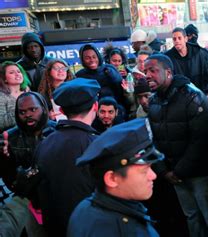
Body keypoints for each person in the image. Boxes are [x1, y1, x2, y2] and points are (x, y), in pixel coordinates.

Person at [145, 54, 208, 237]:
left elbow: (201, 139)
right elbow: (153, 139)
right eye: (146, 71)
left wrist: (178, 171)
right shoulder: (154, 101)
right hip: (175, 175)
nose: (147, 75)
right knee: (192, 218)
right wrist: (164, 171)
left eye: (152, 70)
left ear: (168, 72)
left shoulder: (192, 96)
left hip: (201, 173)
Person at [68, 118, 161, 237]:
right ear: (112, 179)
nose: (153, 176)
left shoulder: (84, 208)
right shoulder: (125, 231)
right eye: (144, 171)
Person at [35, 78, 100, 237]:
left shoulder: (44, 143)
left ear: (62, 111)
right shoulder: (98, 145)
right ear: (95, 106)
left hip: (56, 229)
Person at [0, 92, 54, 237]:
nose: (28, 115)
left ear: (43, 108)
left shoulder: (57, 132)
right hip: (27, 203)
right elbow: (8, 176)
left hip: (56, 200)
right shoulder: (9, 138)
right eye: (22, 112)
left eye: (33, 109)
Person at [75, 44, 126, 110]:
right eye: (87, 58)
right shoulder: (80, 76)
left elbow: (121, 87)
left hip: (115, 109)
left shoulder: (109, 69)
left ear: (98, 57)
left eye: (94, 57)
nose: (92, 60)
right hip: (92, 112)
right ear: (83, 60)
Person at [0, 61, 30, 131]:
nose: (17, 74)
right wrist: (22, 112)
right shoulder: (1, 96)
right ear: (4, 78)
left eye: (19, 72)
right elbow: (1, 123)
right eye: (12, 72)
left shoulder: (27, 90)